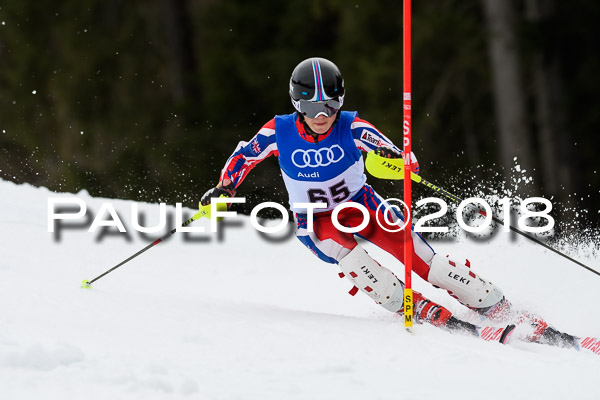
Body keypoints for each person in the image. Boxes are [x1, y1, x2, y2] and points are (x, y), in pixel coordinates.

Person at [198, 57, 547, 341]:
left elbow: (393, 153)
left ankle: (491, 302)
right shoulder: (279, 131)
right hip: (316, 221)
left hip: (362, 205)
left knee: (425, 259)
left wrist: (401, 162)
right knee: (355, 261)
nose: (323, 115)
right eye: (313, 106)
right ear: (297, 103)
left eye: (331, 103)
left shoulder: (350, 127)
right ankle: (410, 304)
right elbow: (245, 157)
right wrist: (224, 190)